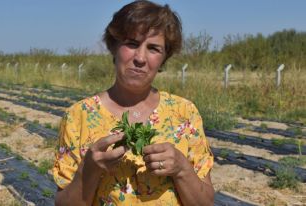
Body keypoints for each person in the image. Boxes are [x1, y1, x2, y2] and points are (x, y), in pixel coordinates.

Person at [53, 0, 214, 205]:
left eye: (153, 48)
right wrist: (89, 169)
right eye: (132, 43)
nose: (140, 58)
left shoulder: (184, 113)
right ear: (114, 47)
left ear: (163, 58)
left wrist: (182, 169)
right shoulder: (79, 116)